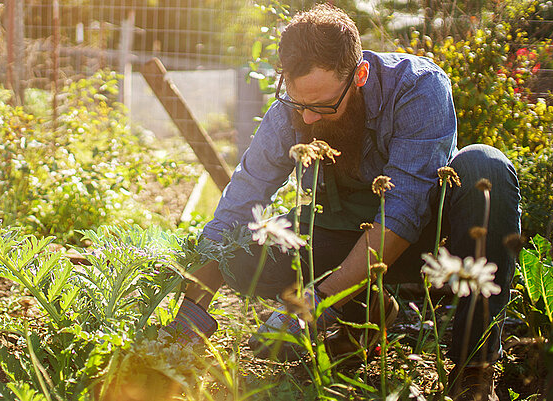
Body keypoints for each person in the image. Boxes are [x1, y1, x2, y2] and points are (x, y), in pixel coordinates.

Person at [162, 4, 519, 401]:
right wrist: (190, 310)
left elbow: (403, 213)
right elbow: (240, 201)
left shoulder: (418, 88)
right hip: (343, 237)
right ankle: (366, 313)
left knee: (487, 167)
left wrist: (314, 304)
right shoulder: (292, 110)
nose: (309, 119)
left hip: (428, 244)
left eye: (323, 106)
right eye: (299, 104)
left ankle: (474, 369)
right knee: (244, 254)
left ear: (360, 75)